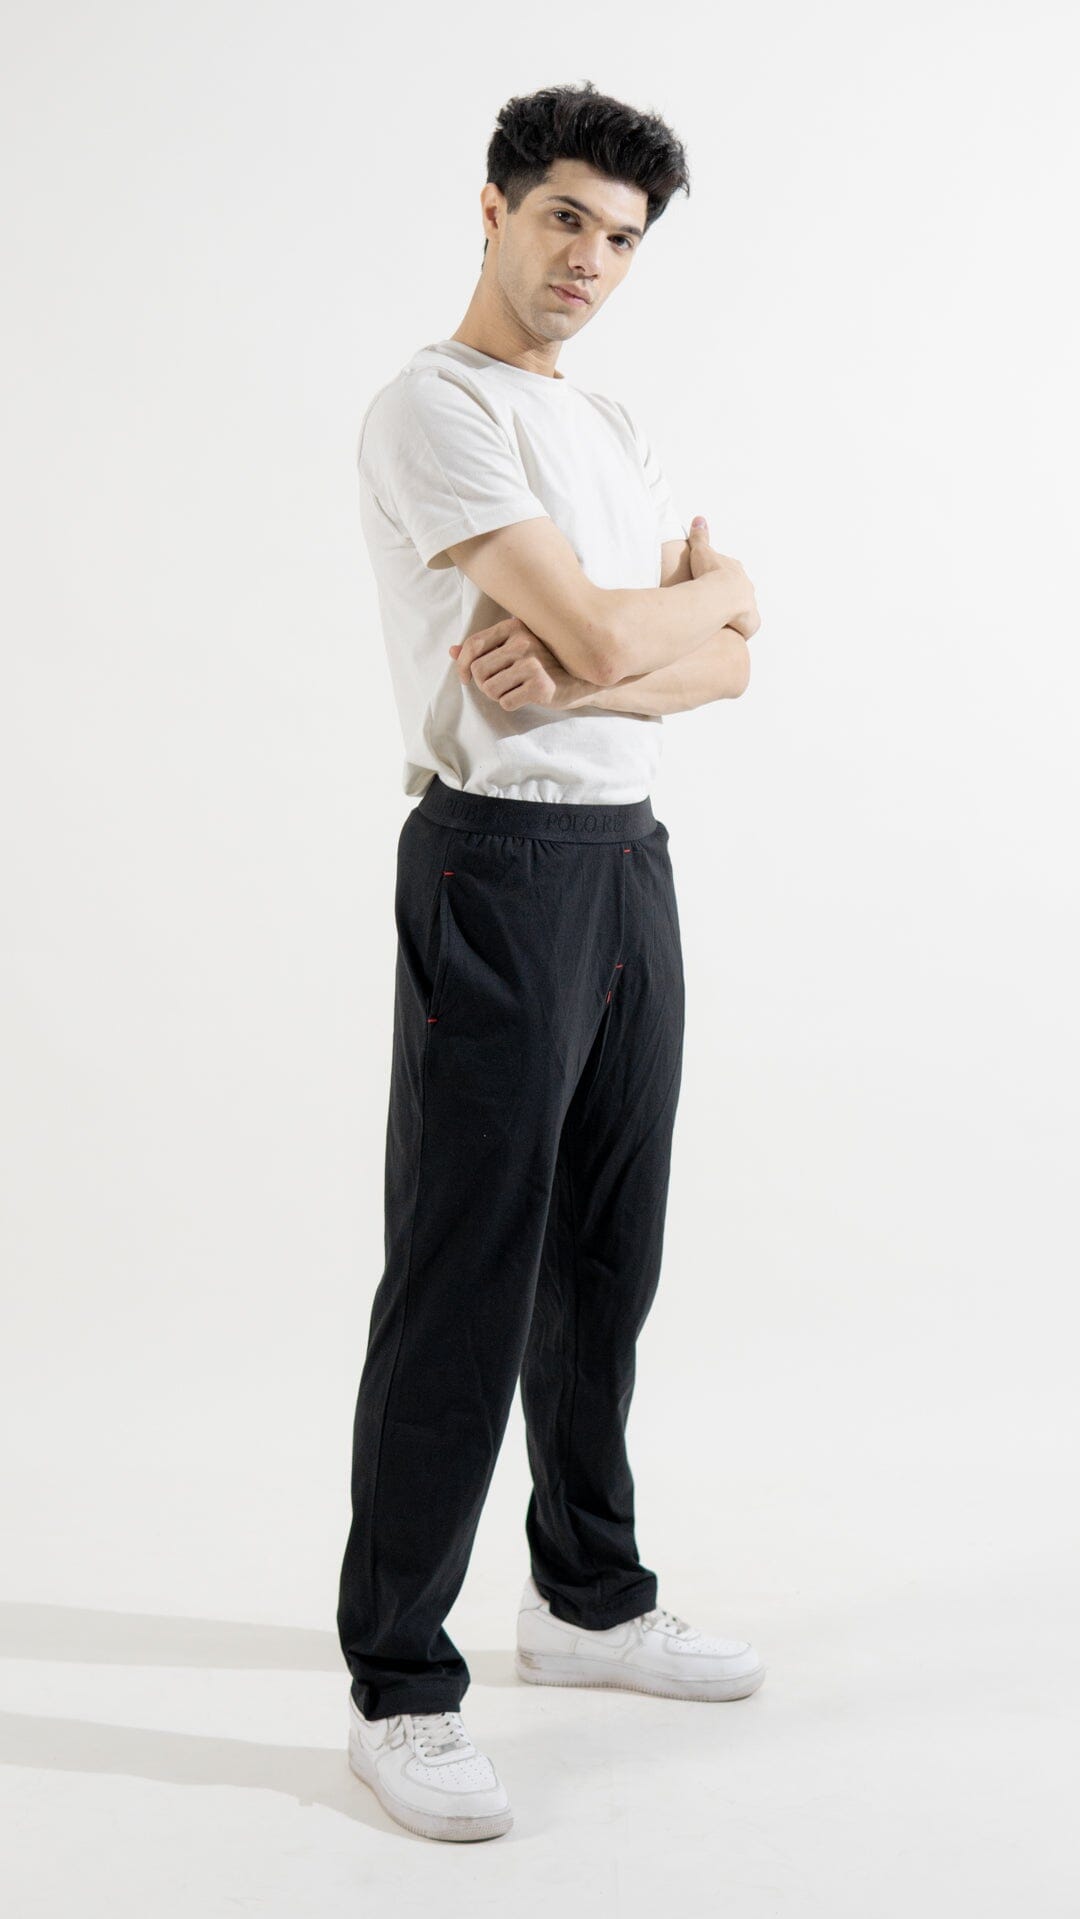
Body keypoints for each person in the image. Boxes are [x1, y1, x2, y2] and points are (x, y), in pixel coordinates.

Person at [337, 80, 765, 1845]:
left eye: (622, 239)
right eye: (566, 218)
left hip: (628, 856)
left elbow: (732, 659)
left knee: (606, 1253)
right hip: (499, 860)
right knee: (467, 1266)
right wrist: (677, 618)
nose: (591, 259)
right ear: (496, 210)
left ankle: (587, 1597)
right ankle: (398, 1685)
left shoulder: (613, 425)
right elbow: (636, 622)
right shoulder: (434, 408)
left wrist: (656, 638)